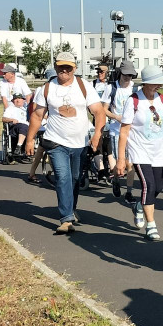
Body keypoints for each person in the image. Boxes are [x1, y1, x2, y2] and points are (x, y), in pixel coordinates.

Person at [25, 52, 107, 234]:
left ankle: (71, 208)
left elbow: (99, 112)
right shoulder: (47, 88)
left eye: (68, 67)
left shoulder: (84, 86)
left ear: (74, 69)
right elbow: (37, 115)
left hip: (80, 143)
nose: (64, 70)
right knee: (63, 177)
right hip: (55, 141)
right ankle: (66, 218)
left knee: (75, 178)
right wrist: (29, 139)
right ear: (55, 67)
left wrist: (96, 136)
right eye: (61, 67)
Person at [116, 65, 163, 241]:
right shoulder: (134, 100)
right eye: (155, 83)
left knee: (157, 188)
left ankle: (139, 205)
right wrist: (121, 159)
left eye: (160, 83)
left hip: (157, 152)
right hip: (139, 151)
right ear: (145, 83)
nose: (158, 86)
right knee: (149, 186)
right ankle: (151, 225)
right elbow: (124, 131)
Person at [104, 60, 138, 203]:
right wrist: (116, 116)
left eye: (131, 75)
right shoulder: (111, 88)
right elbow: (104, 109)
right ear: (120, 73)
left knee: (131, 163)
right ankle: (116, 180)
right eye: (125, 74)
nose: (128, 77)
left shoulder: (135, 89)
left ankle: (129, 192)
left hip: (132, 132)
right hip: (116, 131)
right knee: (120, 163)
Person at [25, 67, 56, 184]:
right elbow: (35, 109)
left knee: (42, 150)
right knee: (47, 149)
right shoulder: (41, 89)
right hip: (43, 125)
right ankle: (54, 173)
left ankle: (32, 173)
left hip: (51, 125)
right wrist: (47, 116)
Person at [90, 63, 112, 182]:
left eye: (102, 72)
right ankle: (101, 170)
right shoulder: (93, 84)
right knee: (98, 140)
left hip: (109, 117)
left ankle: (107, 167)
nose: (99, 74)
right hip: (96, 116)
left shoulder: (110, 85)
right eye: (98, 72)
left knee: (107, 143)